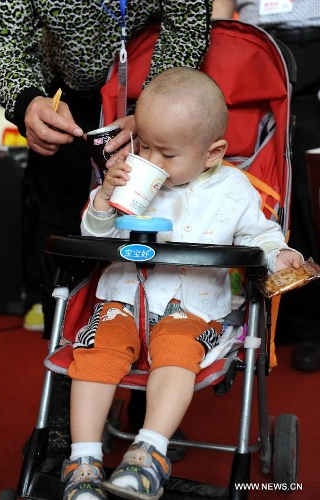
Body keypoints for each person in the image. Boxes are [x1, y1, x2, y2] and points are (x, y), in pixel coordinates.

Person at [58, 67, 302, 500]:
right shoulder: (131, 179)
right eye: (145, 146)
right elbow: (96, 237)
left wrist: (277, 252)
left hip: (191, 311)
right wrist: (102, 202)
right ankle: (84, 459)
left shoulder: (234, 190)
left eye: (167, 155)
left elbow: (258, 234)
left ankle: (149, 452)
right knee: (95, 351)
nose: (151, 162)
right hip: (123, 303)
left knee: (176, 351)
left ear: (213, 153)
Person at [0, 0, 213, 457]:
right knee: (65, 244)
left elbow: (187, 18)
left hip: (157, 84)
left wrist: (152, 109)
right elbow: (4, 34)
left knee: (162, 227)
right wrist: (24, 101)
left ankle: (147, 404)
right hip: (63, 93)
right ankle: (62, 404)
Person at [212, 0, 320, 371]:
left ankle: (311, 325)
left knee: (306, 190)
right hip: (254, 47)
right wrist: (216, 45)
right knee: (249, 180)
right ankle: (278, 318)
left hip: (312, 41)